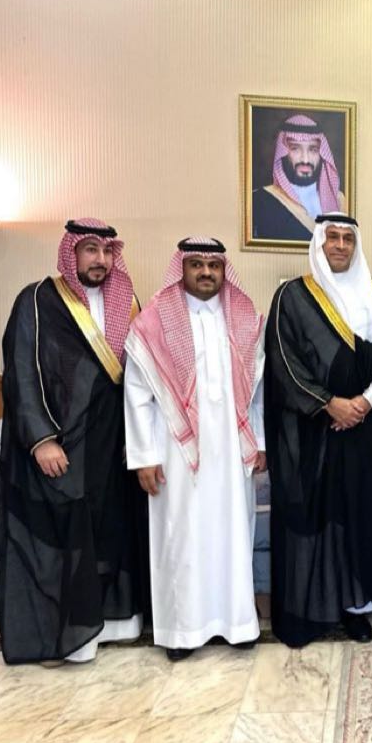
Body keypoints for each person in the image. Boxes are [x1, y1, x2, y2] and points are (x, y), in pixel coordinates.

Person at [0, 218, 146, 665]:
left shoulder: (128, 302)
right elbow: (22, 373)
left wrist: (139, 441)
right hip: (63, 446)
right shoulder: (37, 300)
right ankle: (72, 636)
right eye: (90, 250)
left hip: (113, 446)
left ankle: (116, 623)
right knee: (69, 538)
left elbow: (139, 378)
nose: (101, 260)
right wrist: (41, 439)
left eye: (107, 251)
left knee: (112, 531)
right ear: (71, 252)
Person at [123, 237, 266, 660]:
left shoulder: (245, 318)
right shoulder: (153, 322)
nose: (206, 272)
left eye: (213, 265)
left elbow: (257, 394)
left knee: (233, 534)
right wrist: (144, 456)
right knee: (181, 537)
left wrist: (259, 443)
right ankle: (182, 631)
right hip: (175, 455)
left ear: (224, 270)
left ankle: (237, 624)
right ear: (182, 268)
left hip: (232, 452)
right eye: (196, 264)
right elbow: (136, 394)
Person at [264, 213, 372, 647]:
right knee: (318, 517)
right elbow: (284, 361)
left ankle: (357, 609)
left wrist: (364, 402)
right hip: (314, 433)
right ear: (318, 243)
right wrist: (329, 403)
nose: (340, 245)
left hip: (365, 430)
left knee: (362, 516)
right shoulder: (292, 296)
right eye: (332, 238)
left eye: (347, 238)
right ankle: (311, 611)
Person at [252, 114, 346, 240]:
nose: (305, 160)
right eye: (295, 149)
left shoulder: (340, 201)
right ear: (282, 153)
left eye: (313, 149)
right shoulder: (259, 201)